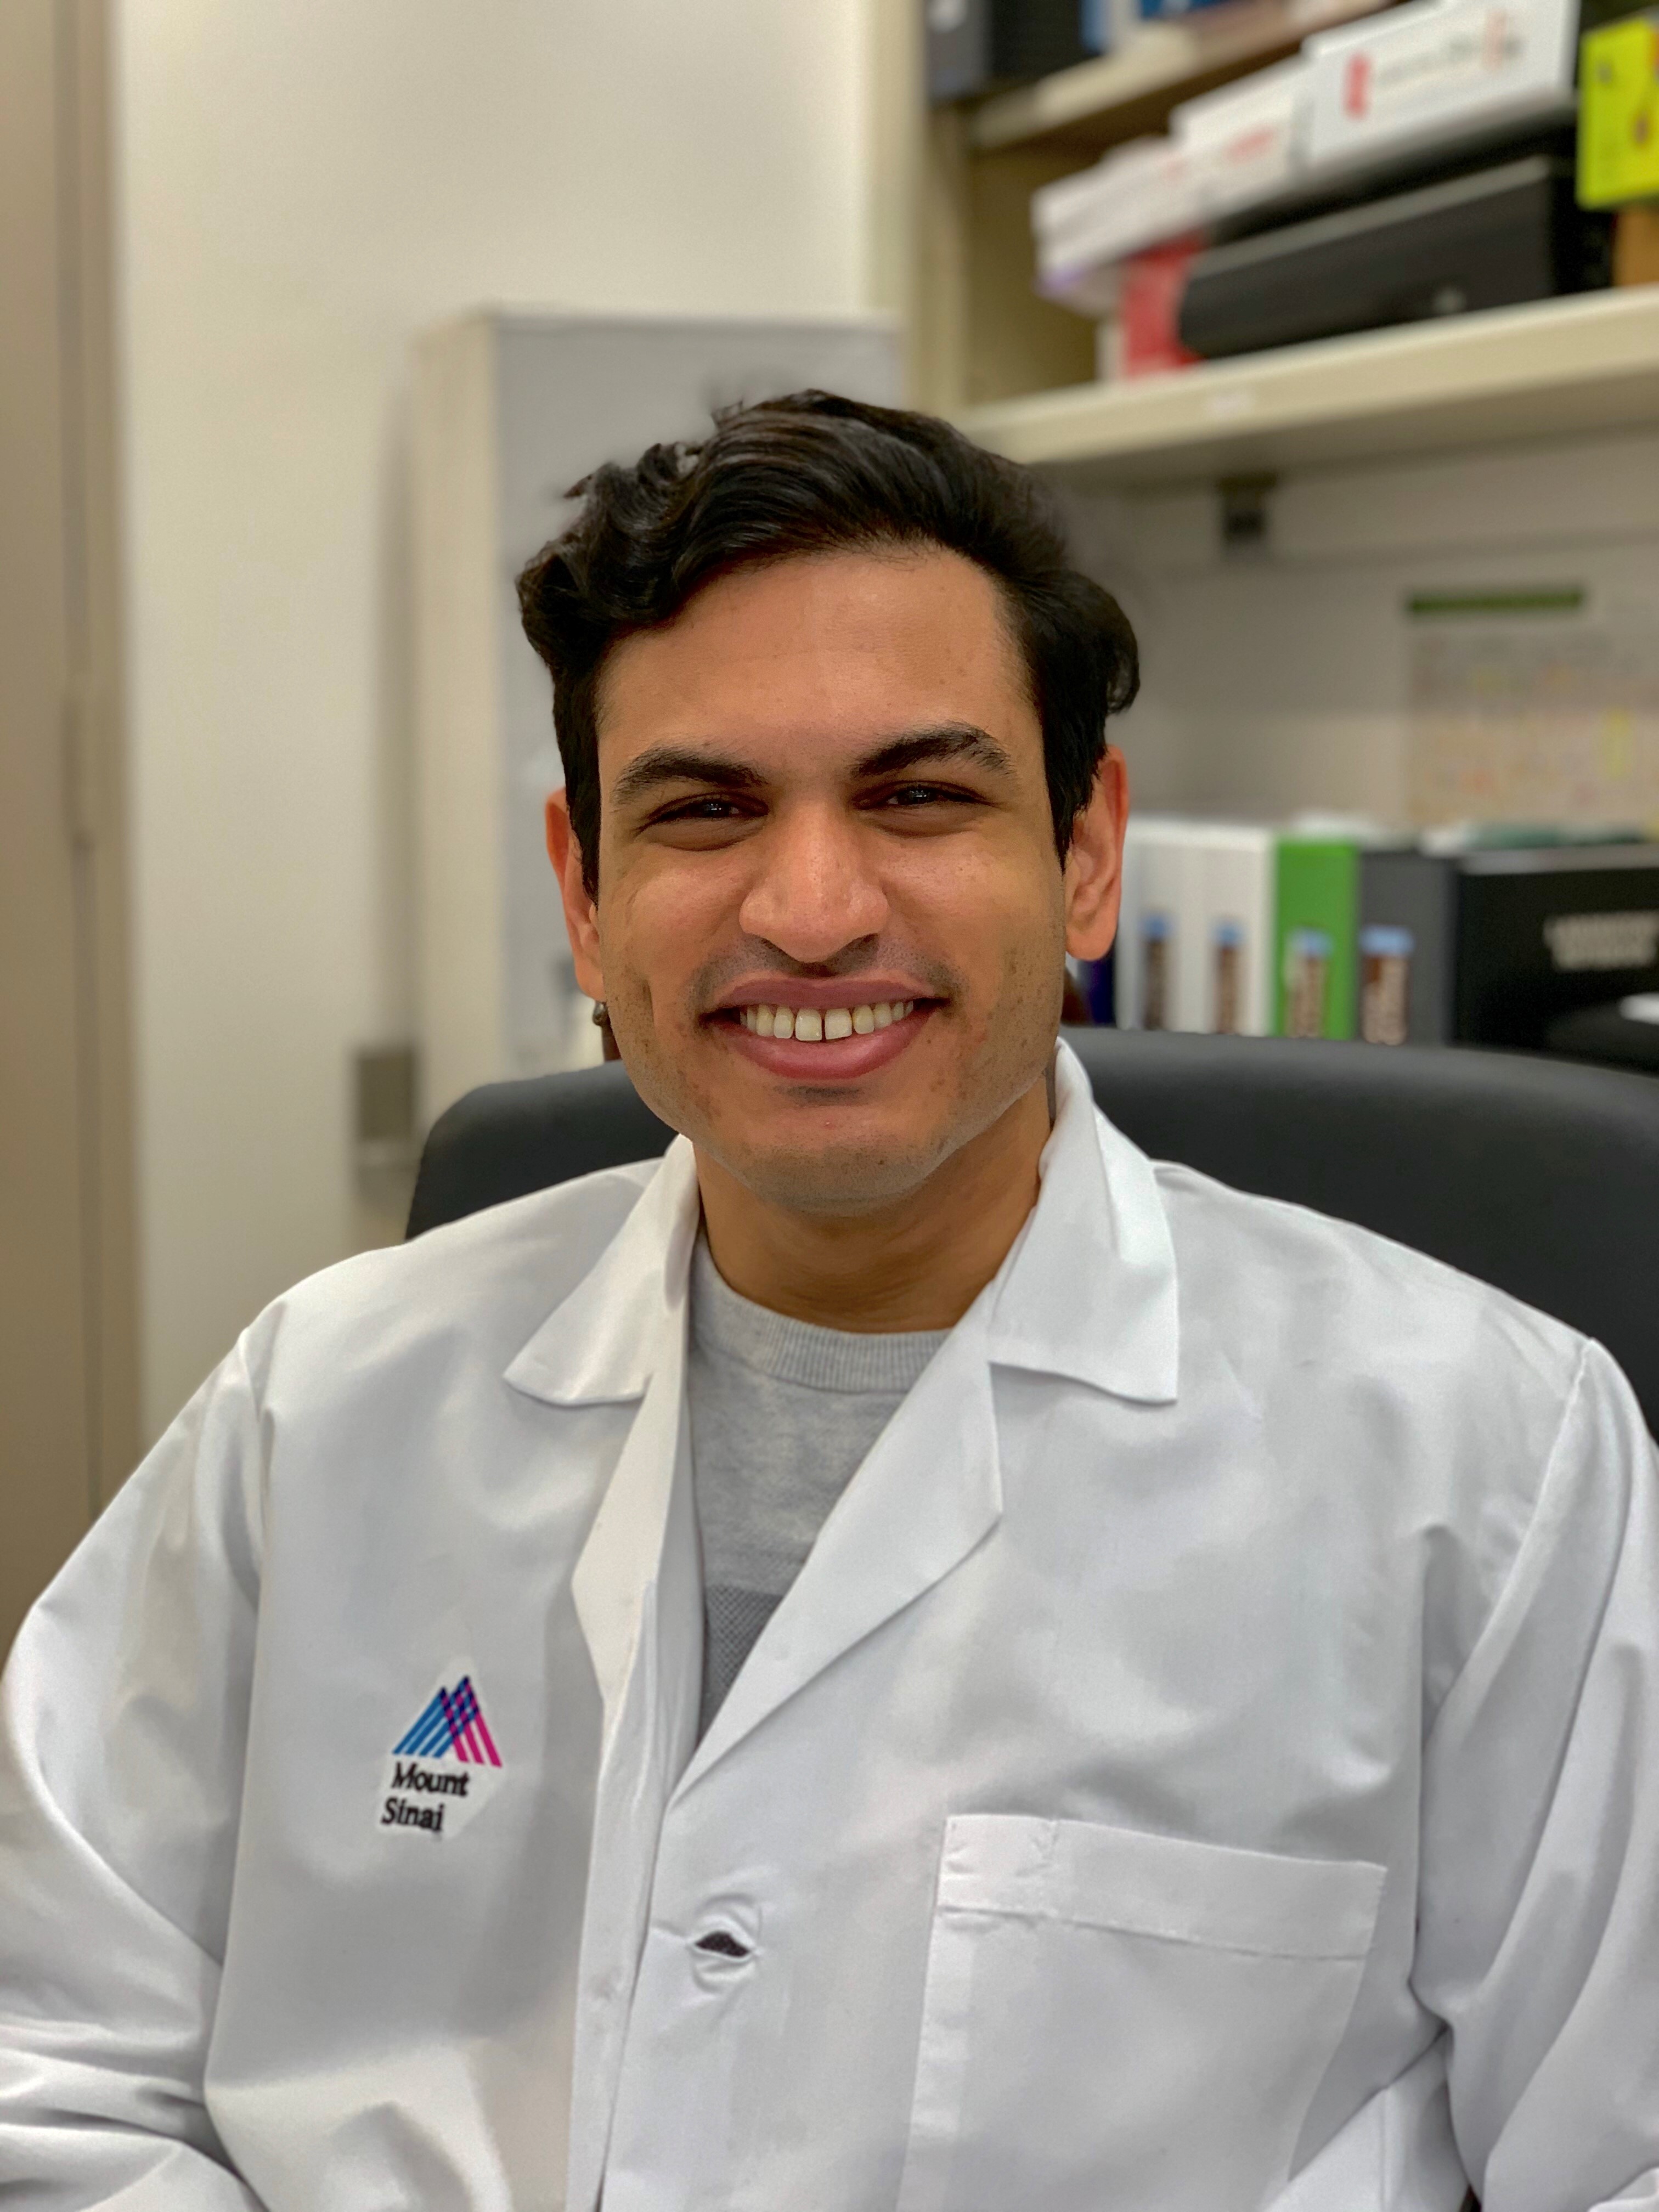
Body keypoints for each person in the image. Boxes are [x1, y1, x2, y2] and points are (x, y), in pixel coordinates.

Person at [2, 393, 1656, 2212]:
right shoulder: (318, 1407)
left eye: (918, 796)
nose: (808, 908)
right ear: (585, 892)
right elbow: (46, 2066)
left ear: (1085, 853)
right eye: (705, 810)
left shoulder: (1486, 1465)